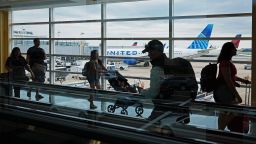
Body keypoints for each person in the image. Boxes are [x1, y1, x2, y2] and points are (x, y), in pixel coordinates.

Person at [140, 39, 198, 120]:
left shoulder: (157, 69)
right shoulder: (181, 63)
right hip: (183, 107)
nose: (149, 55)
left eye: (149, 52)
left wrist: (142, 92)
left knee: (147, 127)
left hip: (164, 109)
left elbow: (153, 93)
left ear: (155, 51)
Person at [214, 42, 251, 130]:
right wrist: (237, 96)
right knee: (232, 111)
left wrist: (243, 81)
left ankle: (220, 132)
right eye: (234, 48)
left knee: (224, 112)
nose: (236, 50)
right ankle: (220, 131)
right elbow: (228, 80)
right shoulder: (225, 62)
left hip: (223, 91)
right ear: (229, 50)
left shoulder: (227, 62)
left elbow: (231, 76)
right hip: (224, 91)